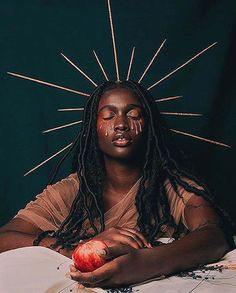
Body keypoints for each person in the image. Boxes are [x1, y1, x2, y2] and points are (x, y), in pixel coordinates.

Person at [0, 80, 234, 288]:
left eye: (133, 114)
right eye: (109, 116)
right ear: (93, 129)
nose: (121, 123)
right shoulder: (74, 191)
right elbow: (5, 237)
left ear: (149, 126)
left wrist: (143, 263)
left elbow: (215, 236)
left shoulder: (173, 187)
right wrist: (80, 250)